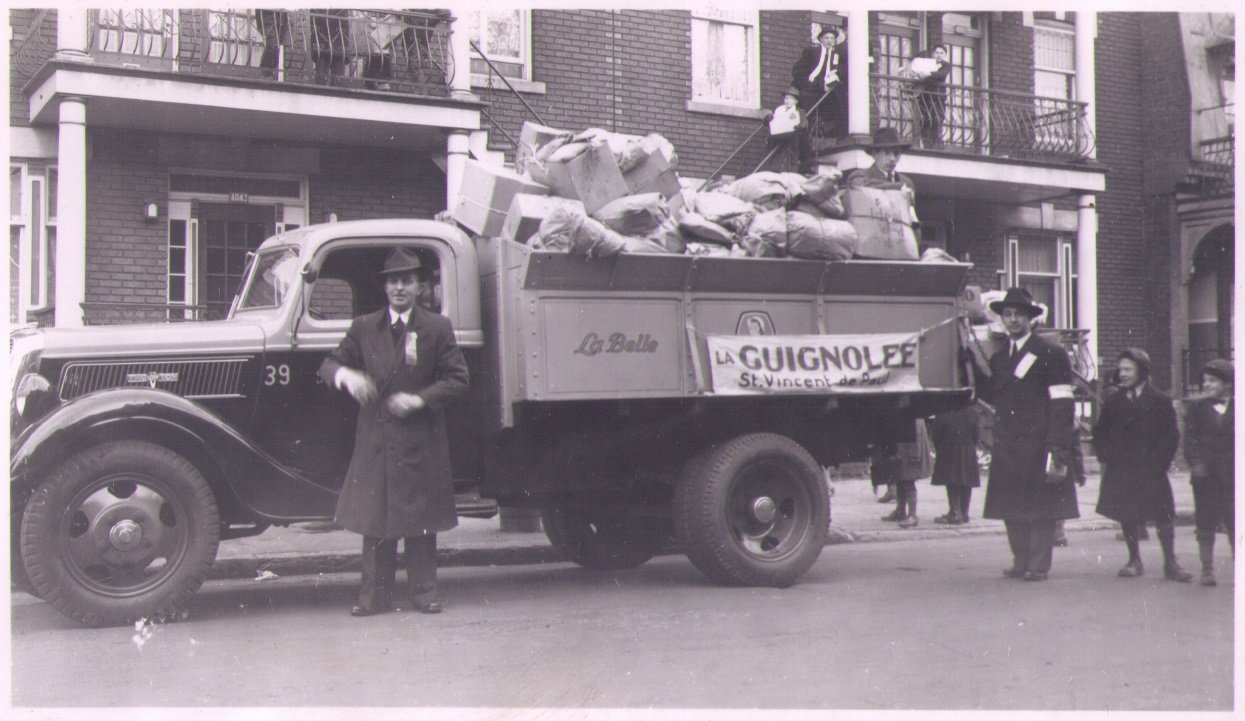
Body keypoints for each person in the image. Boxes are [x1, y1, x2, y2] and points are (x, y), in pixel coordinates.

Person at [319, 247, 470, 616]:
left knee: (421, 519)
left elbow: (458, 379)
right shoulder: (363, 327)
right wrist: (348, 377)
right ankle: (374, 597)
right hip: (378, 439)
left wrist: (419, 400)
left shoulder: (437, 327)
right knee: (376, 518)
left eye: (407, 281)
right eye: (393, 282)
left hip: (420, 438)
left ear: (419, 287)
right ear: (385, 288)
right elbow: (329, 365)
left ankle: (424, 593)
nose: (400, 288)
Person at [977, 287, 1079, 581]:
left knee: (1040, 510)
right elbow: (992, 394)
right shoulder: (999, 358)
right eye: (1008, 314)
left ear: (1030, 318)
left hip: (1039, 444)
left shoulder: (1050, 353)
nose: (1013, 320)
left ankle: (1037, 565)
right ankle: (1020, 561)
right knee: (1011, 507)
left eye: (1019, 314)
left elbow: (1062, 403)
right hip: (1008, 445)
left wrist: (1058, 446)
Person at [1092, 348, 1192, 581]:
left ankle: (1171, 563)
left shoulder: (1160, 401)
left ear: (1142, 371)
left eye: (1128, 369)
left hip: (1152, 468)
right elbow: (1100, 432)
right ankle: (1134, 560)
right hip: (1123, 468)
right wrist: (1107, 456)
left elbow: (1170, 436)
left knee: (1163, 516)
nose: (1123, 374)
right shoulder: (1114, 401)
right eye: (1121, 369)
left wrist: (1160, 463)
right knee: (1127, 514)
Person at [1184, 358, 1235, 586]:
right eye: (1205, 380)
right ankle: (1207, 568)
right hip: (1205, 476)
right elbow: (1190, 440)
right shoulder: (1196, 408)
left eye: (1213, 381)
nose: (1207, 384)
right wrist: (1197, 464)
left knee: (1235, 520)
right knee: (1205, 521)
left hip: (1233, 476)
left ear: (1228, 384)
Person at [791, 25, 848, 170]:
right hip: (811, 90)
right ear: (821, 39)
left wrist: (835, 78)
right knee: (807, 119)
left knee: (838, 110)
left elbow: (841, 71)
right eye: (826, 38)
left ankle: (830, 140)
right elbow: (798, 70)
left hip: (827, 91)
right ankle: (805, 149)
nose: (829, 41)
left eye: (832, 38)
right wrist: (806, 85)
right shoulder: (812, 52)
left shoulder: (837, 55)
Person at [929, 404, 980, 525]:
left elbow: (935, 434)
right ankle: (964, 513)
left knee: (952, 480)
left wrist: (940, 448)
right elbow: (976, 436)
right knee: (967, 480)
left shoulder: (943, 412)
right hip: (968, 450)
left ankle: (954, 513)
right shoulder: (973, 412)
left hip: (949, 449)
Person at [909, 45, 951, 149]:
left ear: (945, 55)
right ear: (933, 54)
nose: (939, 55)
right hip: (925, 97)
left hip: (938, 98)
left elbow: (941, 75)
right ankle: (926, 144)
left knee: (937, 120)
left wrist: (928, 74)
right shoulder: (927, 64)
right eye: (937, 53)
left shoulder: (945, 65)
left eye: (941, 53)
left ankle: (935, 146)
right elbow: (921, 77)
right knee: (925, 121)